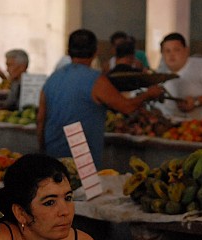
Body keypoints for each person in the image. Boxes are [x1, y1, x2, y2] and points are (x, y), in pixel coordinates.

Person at [37, 29, 164, 167]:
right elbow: (127, 107)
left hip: (53, 152)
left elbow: (41, 119)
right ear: (96, 51)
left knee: (58, 187)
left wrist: (42, 150)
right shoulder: (96, 80)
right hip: (81, 155)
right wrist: (149, 94)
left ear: (68, 51)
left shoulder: (53, 78)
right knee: (82, 188)